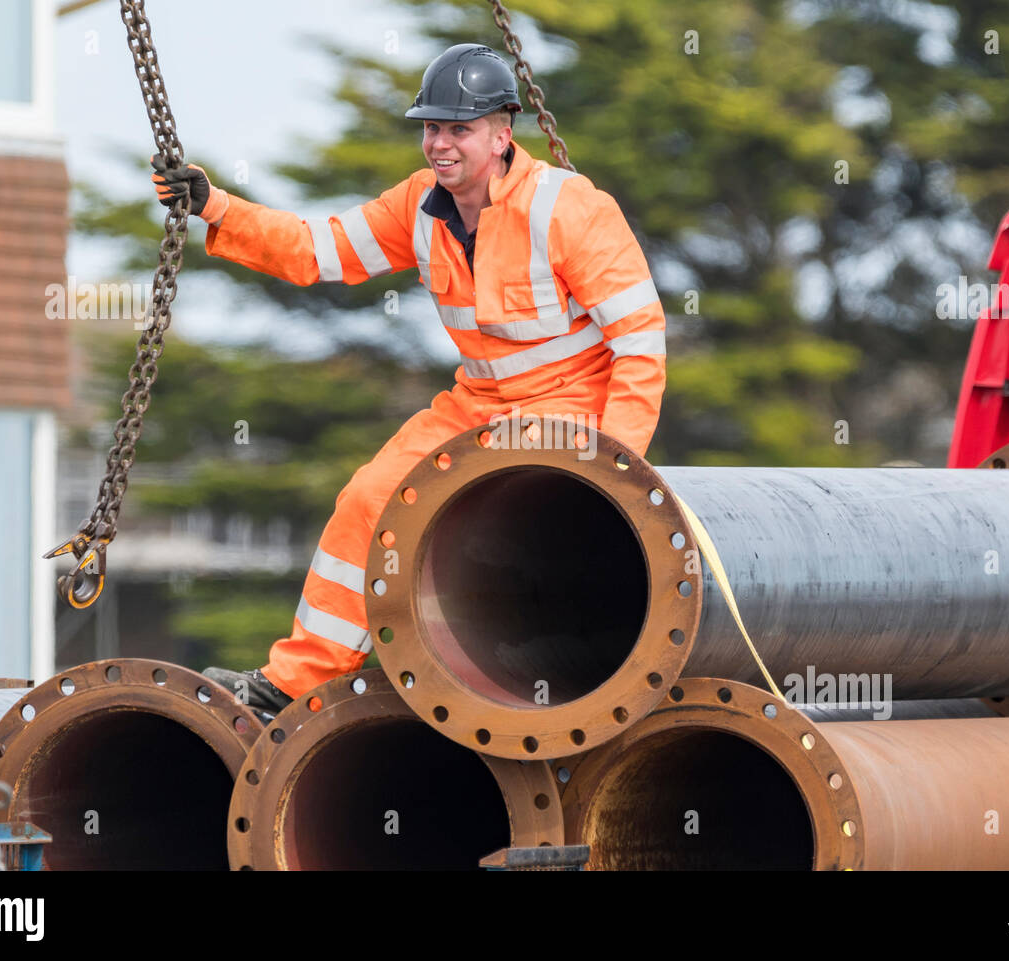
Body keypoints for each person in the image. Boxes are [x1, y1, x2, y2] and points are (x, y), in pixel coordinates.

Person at [151, 43, 667, 719]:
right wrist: (217, 207)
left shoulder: (569, 209)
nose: (440, 144)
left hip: (571, 407)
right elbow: (319, 250)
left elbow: (640, 340)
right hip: (478, 401)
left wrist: (618, 463)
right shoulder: (418, 208)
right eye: (432, 128)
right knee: (369, 495)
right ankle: (290, 687)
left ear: (502, 134)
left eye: (459, 129)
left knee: (522, 530)